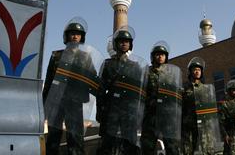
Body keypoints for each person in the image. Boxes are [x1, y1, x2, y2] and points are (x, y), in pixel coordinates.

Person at [43, 18, 99, 155]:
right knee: (53, 137)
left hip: (75, 102)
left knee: (75, 138)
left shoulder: (85, 57)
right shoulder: (56, 56)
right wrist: (43, 104)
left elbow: (92, 79)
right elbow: (49, 80)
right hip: (56, 101)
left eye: (78, 34)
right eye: (72, 33)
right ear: (67, 36)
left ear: (81, 37)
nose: (75, 36)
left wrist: (103, 95)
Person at [96, 26, 147, 155]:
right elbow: (100, 90)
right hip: (111, 109)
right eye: (121, 41)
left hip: (129, 111)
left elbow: (140, 92)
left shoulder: (136, 66)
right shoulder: (108, 64)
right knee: (108, 143)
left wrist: (139, 111)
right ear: (116, 44)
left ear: (130, 45)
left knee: (130, 143)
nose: (124, 43)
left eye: (127, 41)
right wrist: (99, 110)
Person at [141, 41, 181, 155]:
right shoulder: (146, 74)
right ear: (153, 57)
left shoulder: (171, 76)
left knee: (172, 148)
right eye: (157, 54)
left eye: (162, 54)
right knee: (147, 148)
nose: (160, 56)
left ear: (166, 57)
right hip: (150, 115)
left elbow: (176, 94)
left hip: (168, 116)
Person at [181, 57, 222, 154]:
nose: (197, 72)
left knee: (207, 150)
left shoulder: (206, 89)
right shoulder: (184, 88)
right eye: (194, 69)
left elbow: (211, 108)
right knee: (188, 151)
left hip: (204, 125)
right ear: (190, 72)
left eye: (199, 70)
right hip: (189, 125)